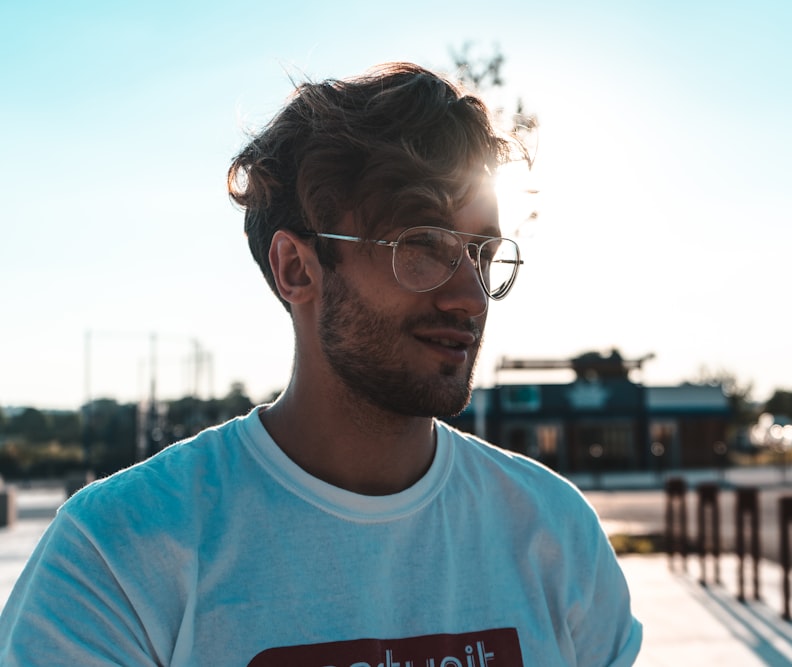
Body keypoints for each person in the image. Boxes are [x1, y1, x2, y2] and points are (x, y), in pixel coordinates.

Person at [0, 62, 642, 666]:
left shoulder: (555, 535)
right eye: (423, 247)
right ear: (296, 268)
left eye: (482, 254)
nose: (470, 298)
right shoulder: (116, 559)